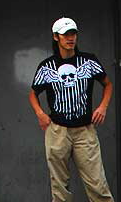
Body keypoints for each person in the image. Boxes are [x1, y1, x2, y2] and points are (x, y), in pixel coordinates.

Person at [29, 17, 114, 202]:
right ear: (56, 37)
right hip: (58, 130)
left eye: (73, 34)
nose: (70, 38)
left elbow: (107, 84)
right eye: (65, 35)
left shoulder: (88, 62)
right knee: (59, 188)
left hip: (85, 130)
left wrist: (103, 107)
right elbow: (33, 93)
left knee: (97, 184)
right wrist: (40, 114)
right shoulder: (46, 67)